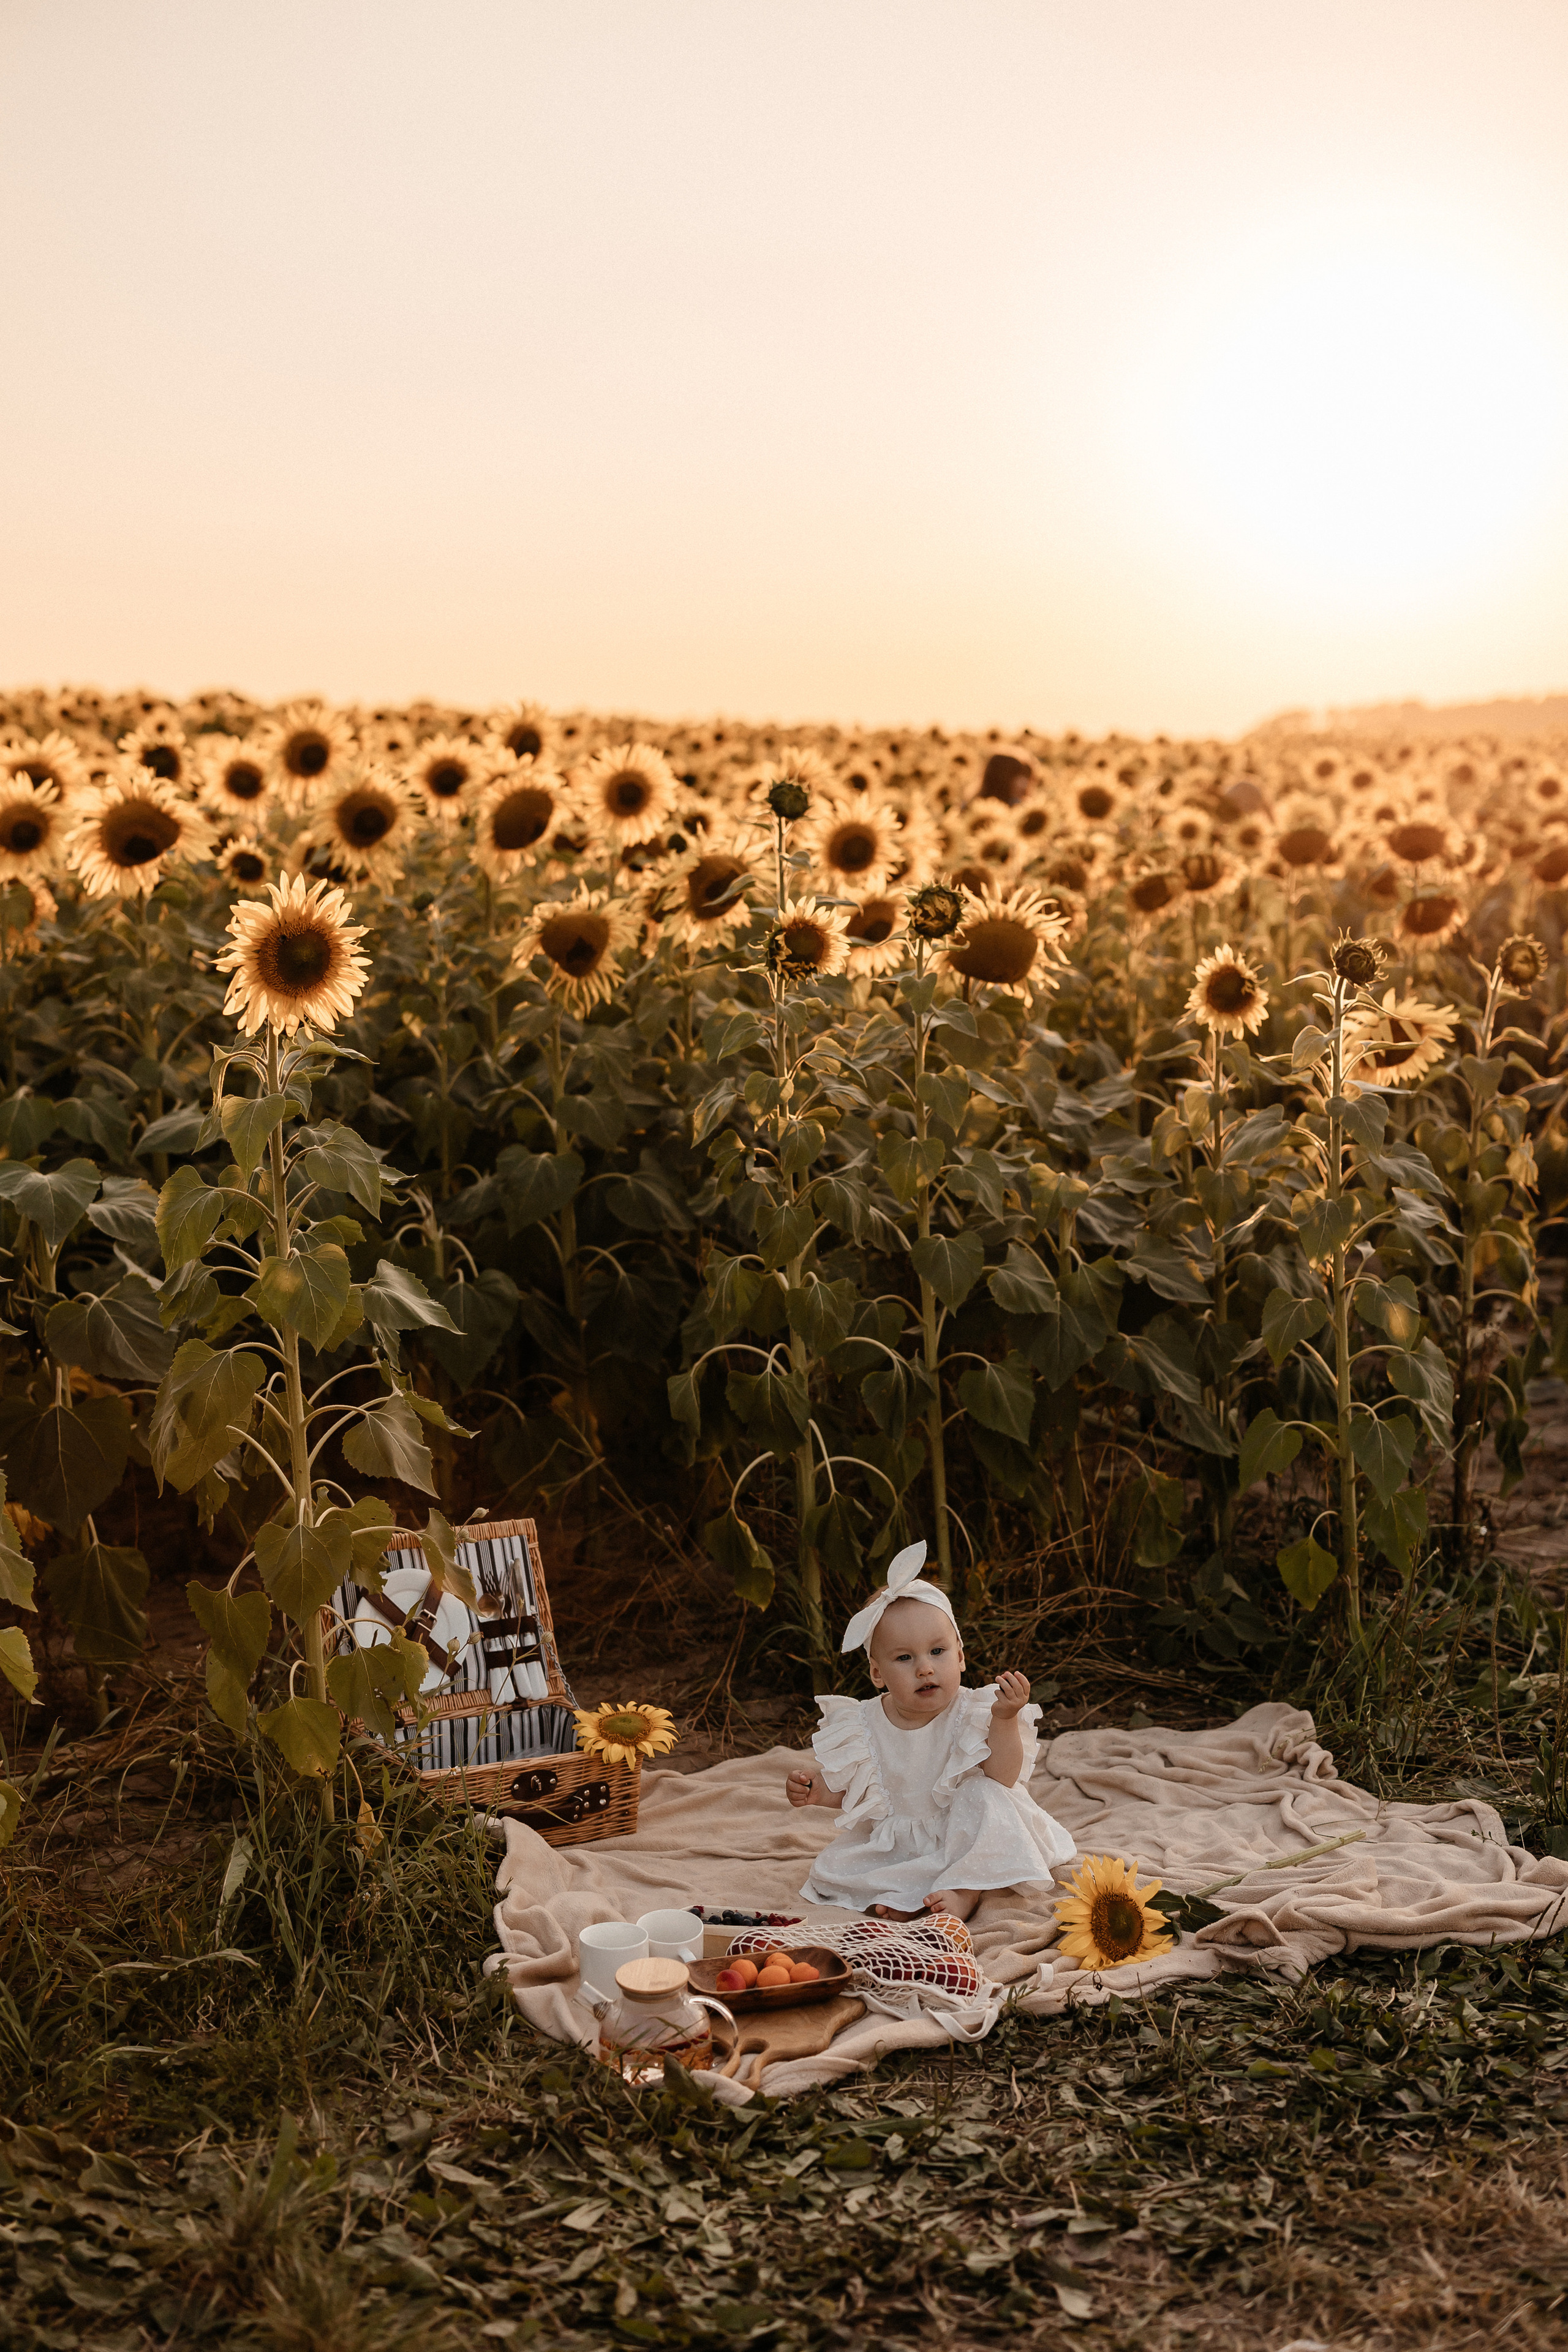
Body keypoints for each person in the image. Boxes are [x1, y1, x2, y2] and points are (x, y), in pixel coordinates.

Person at [785, 1541, 1076, 1921]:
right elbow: (856, 1789)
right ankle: (907, 1892)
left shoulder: (976, 1711)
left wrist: (1004, 1719)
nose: (925, 1668)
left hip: (972, 1833)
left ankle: (965, 1890)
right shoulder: (863, 1724)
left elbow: (1003, 1778)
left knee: (984, 1793)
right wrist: (816, 1790)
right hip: (907, 1843)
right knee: (837, 1872)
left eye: (937, 1652)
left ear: (960, 1656)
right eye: (905, 1658)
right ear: (877, 1673)